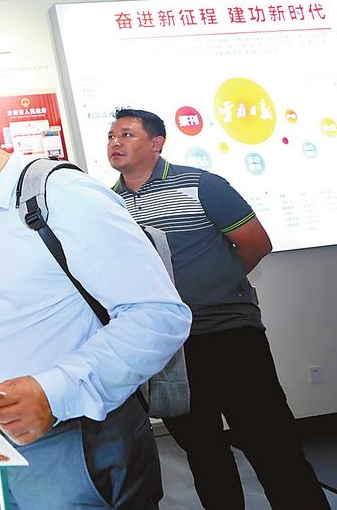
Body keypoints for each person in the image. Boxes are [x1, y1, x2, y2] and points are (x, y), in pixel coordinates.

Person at [0, 104, 191, 510]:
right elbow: (26, 304)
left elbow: (159, 315)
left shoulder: (60, 194)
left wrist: (53, 391)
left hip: (76, 437)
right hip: (15, 438)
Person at [107, 108, 327, 510]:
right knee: (203, 451)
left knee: (271, 444)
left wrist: (217, 286)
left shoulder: (201, 184)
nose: (115, 143)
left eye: (127, 134)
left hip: (229, 334)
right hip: (169, 348)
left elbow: (256, 243)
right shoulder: (110, 204)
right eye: (111, 136)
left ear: (156, 144)